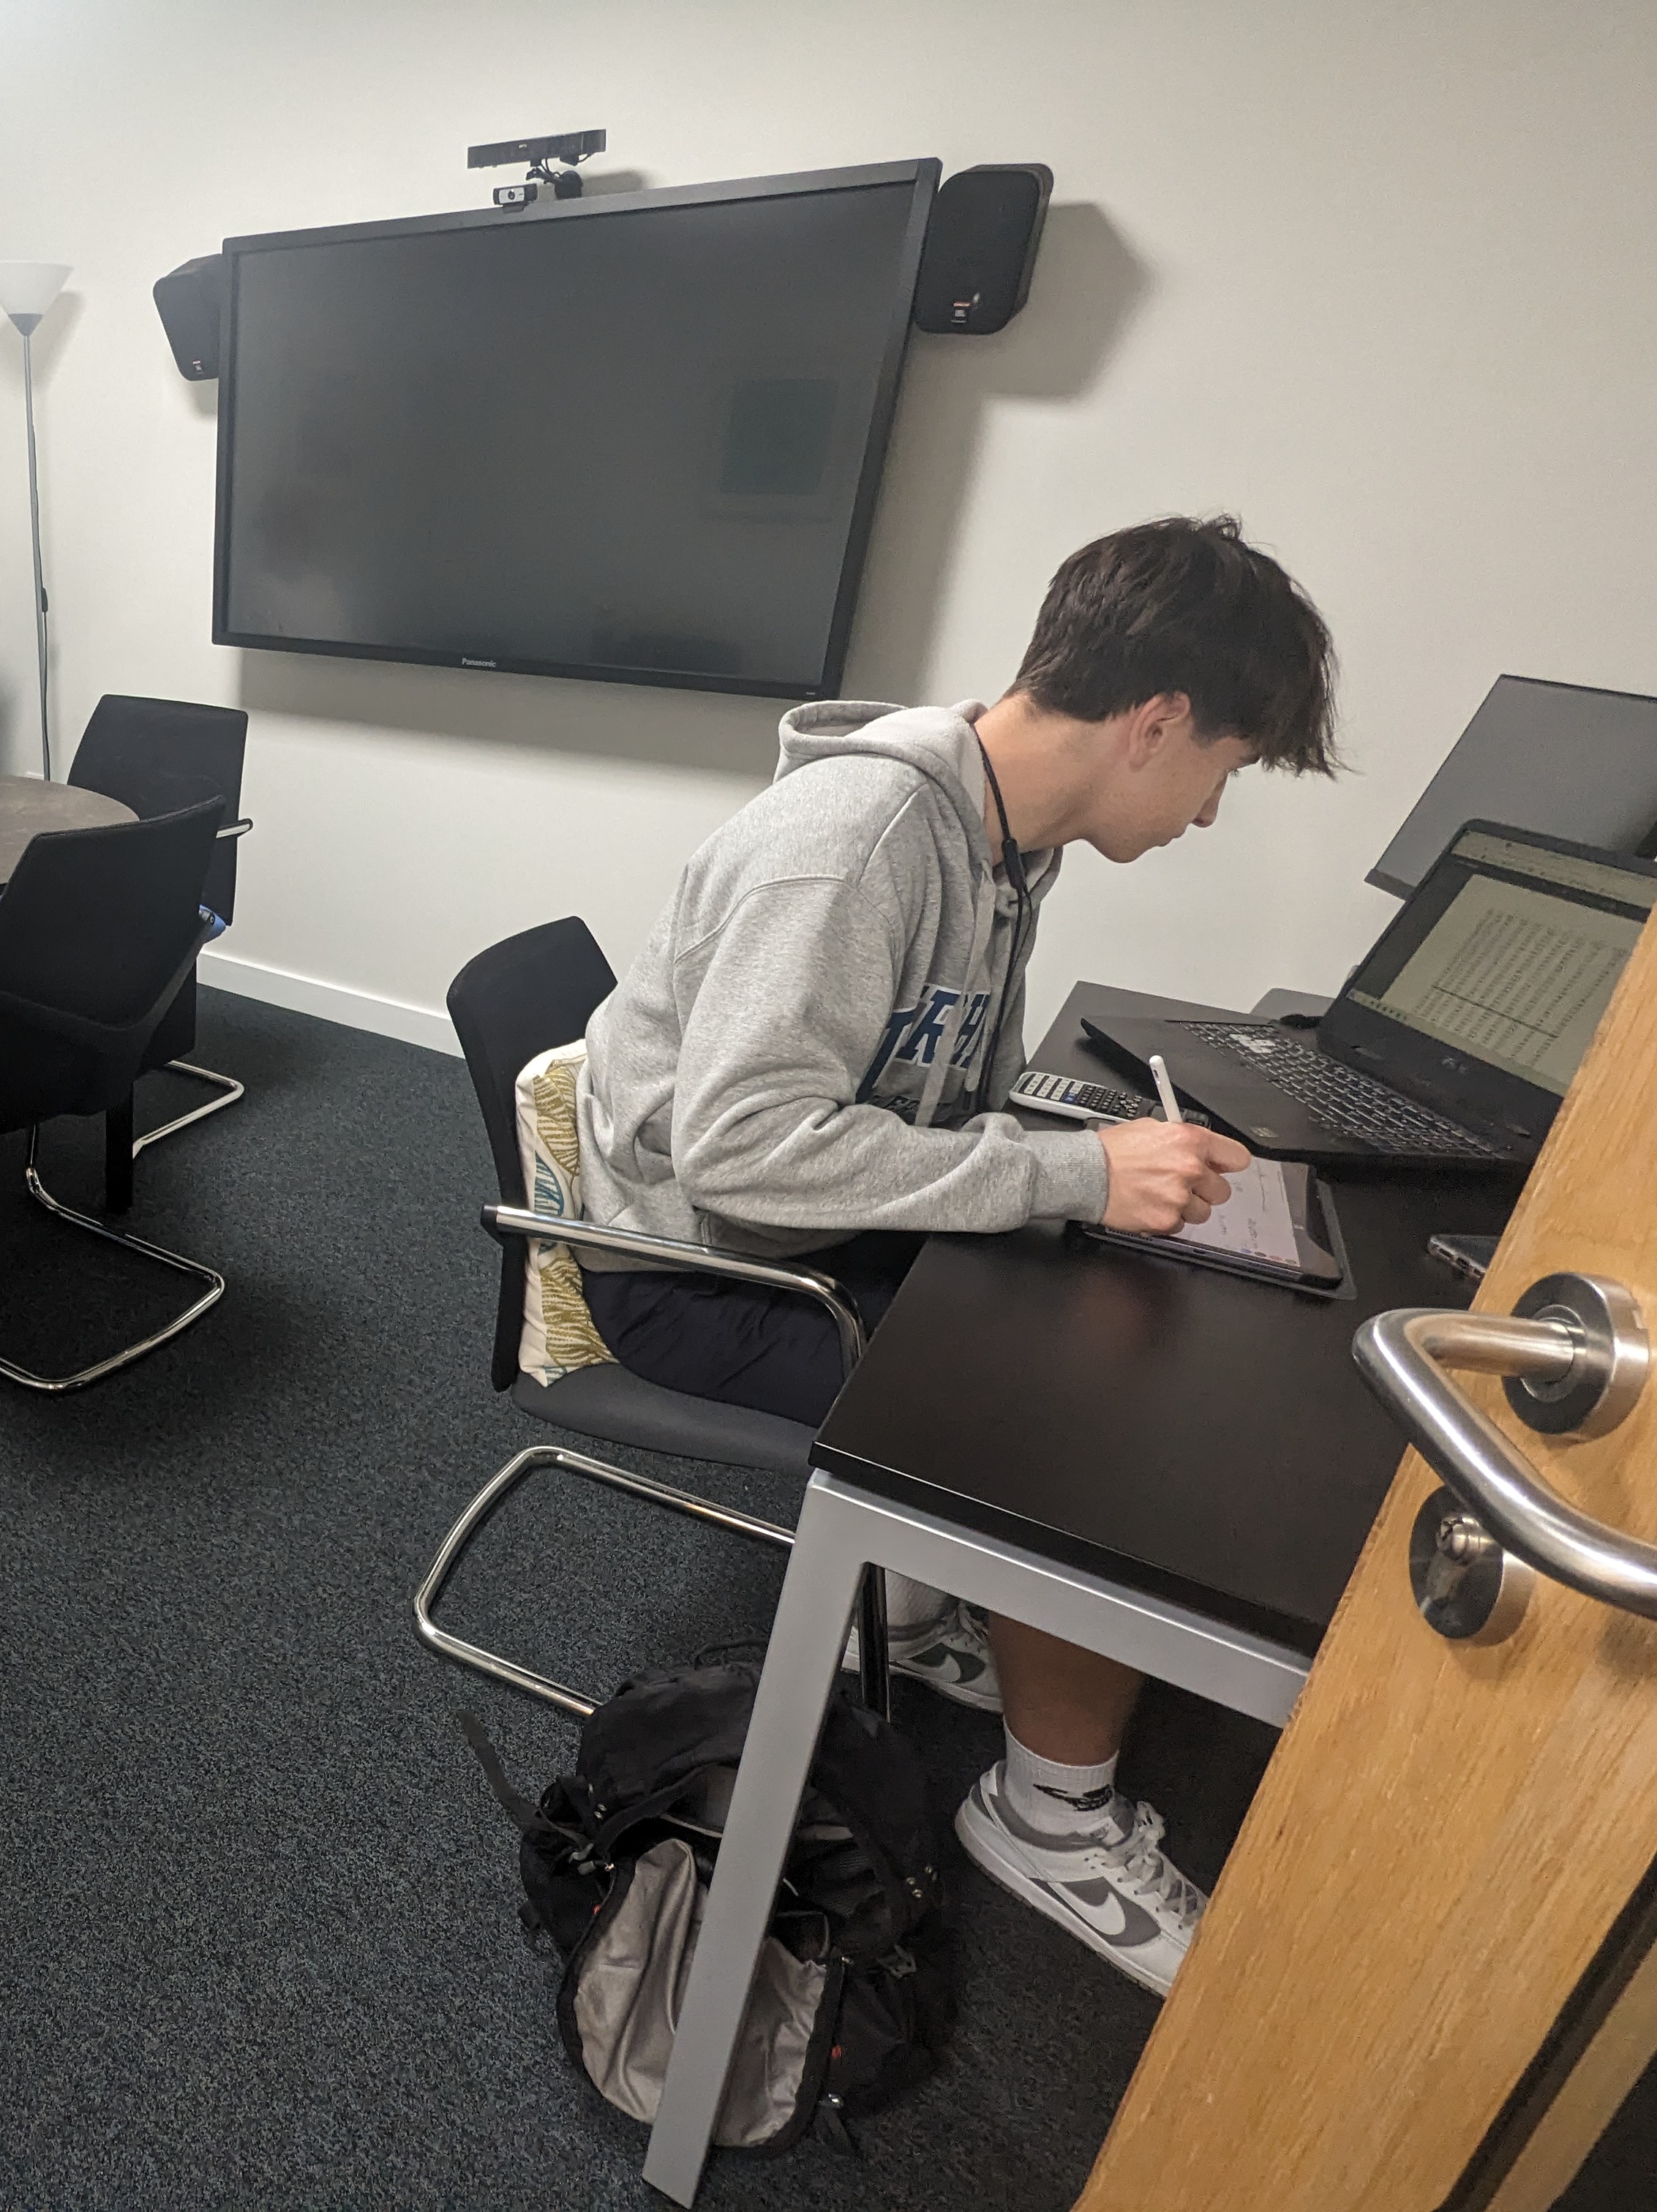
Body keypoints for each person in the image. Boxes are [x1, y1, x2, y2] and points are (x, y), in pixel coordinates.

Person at [576, 514, 1337, 1995]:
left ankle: (936, 1616)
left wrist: (1094, 1169)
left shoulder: (1000, 841)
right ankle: (1050, 1819)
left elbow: (928, 1095)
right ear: (1156, 724)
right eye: (1223, 774)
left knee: (1098, 1298)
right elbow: (742, 1152)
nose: (1205, 815)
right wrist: (1068, 1171)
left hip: (818, 1223)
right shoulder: (860, 846)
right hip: (704, 1271)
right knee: (1054, 1423)